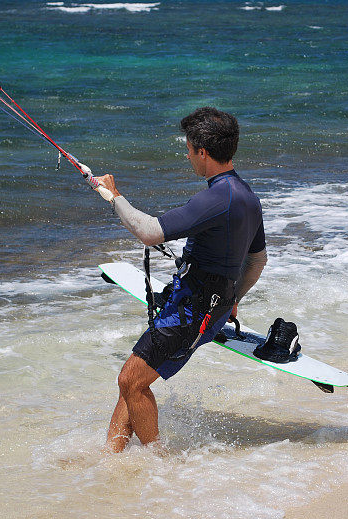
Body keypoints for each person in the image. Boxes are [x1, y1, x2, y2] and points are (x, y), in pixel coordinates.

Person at [91, 107, 267, 453]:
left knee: (131, 381)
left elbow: (149, 232)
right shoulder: (248, 197)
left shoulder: (217, 198)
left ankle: (160, 463)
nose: (187, 155)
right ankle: (111, 458)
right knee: (133, 382)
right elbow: (257, 261)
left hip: (193, 313)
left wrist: (114, 197)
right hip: (202, 306)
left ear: (203, 152)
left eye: (189, 149)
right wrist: (234, 300)